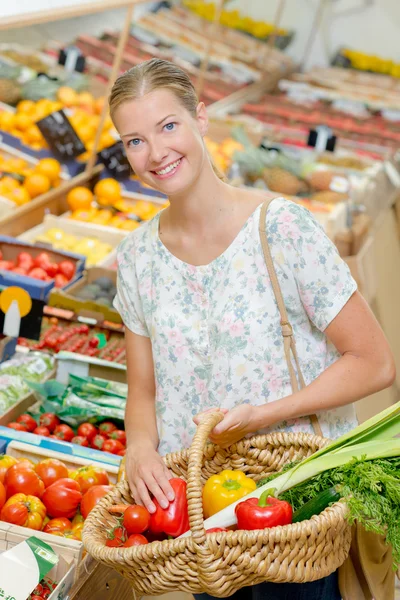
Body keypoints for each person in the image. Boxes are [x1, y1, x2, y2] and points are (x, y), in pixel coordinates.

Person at [110, 58, 395, 600]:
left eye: (168, 126)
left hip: (295, 506)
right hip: (204, 523)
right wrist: (140, 449)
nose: (156, 153)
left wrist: (262, 416)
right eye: (134, 141)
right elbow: (143, 391)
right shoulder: (137, 259)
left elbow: (374, 362)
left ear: (201, 117)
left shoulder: (282, 227)